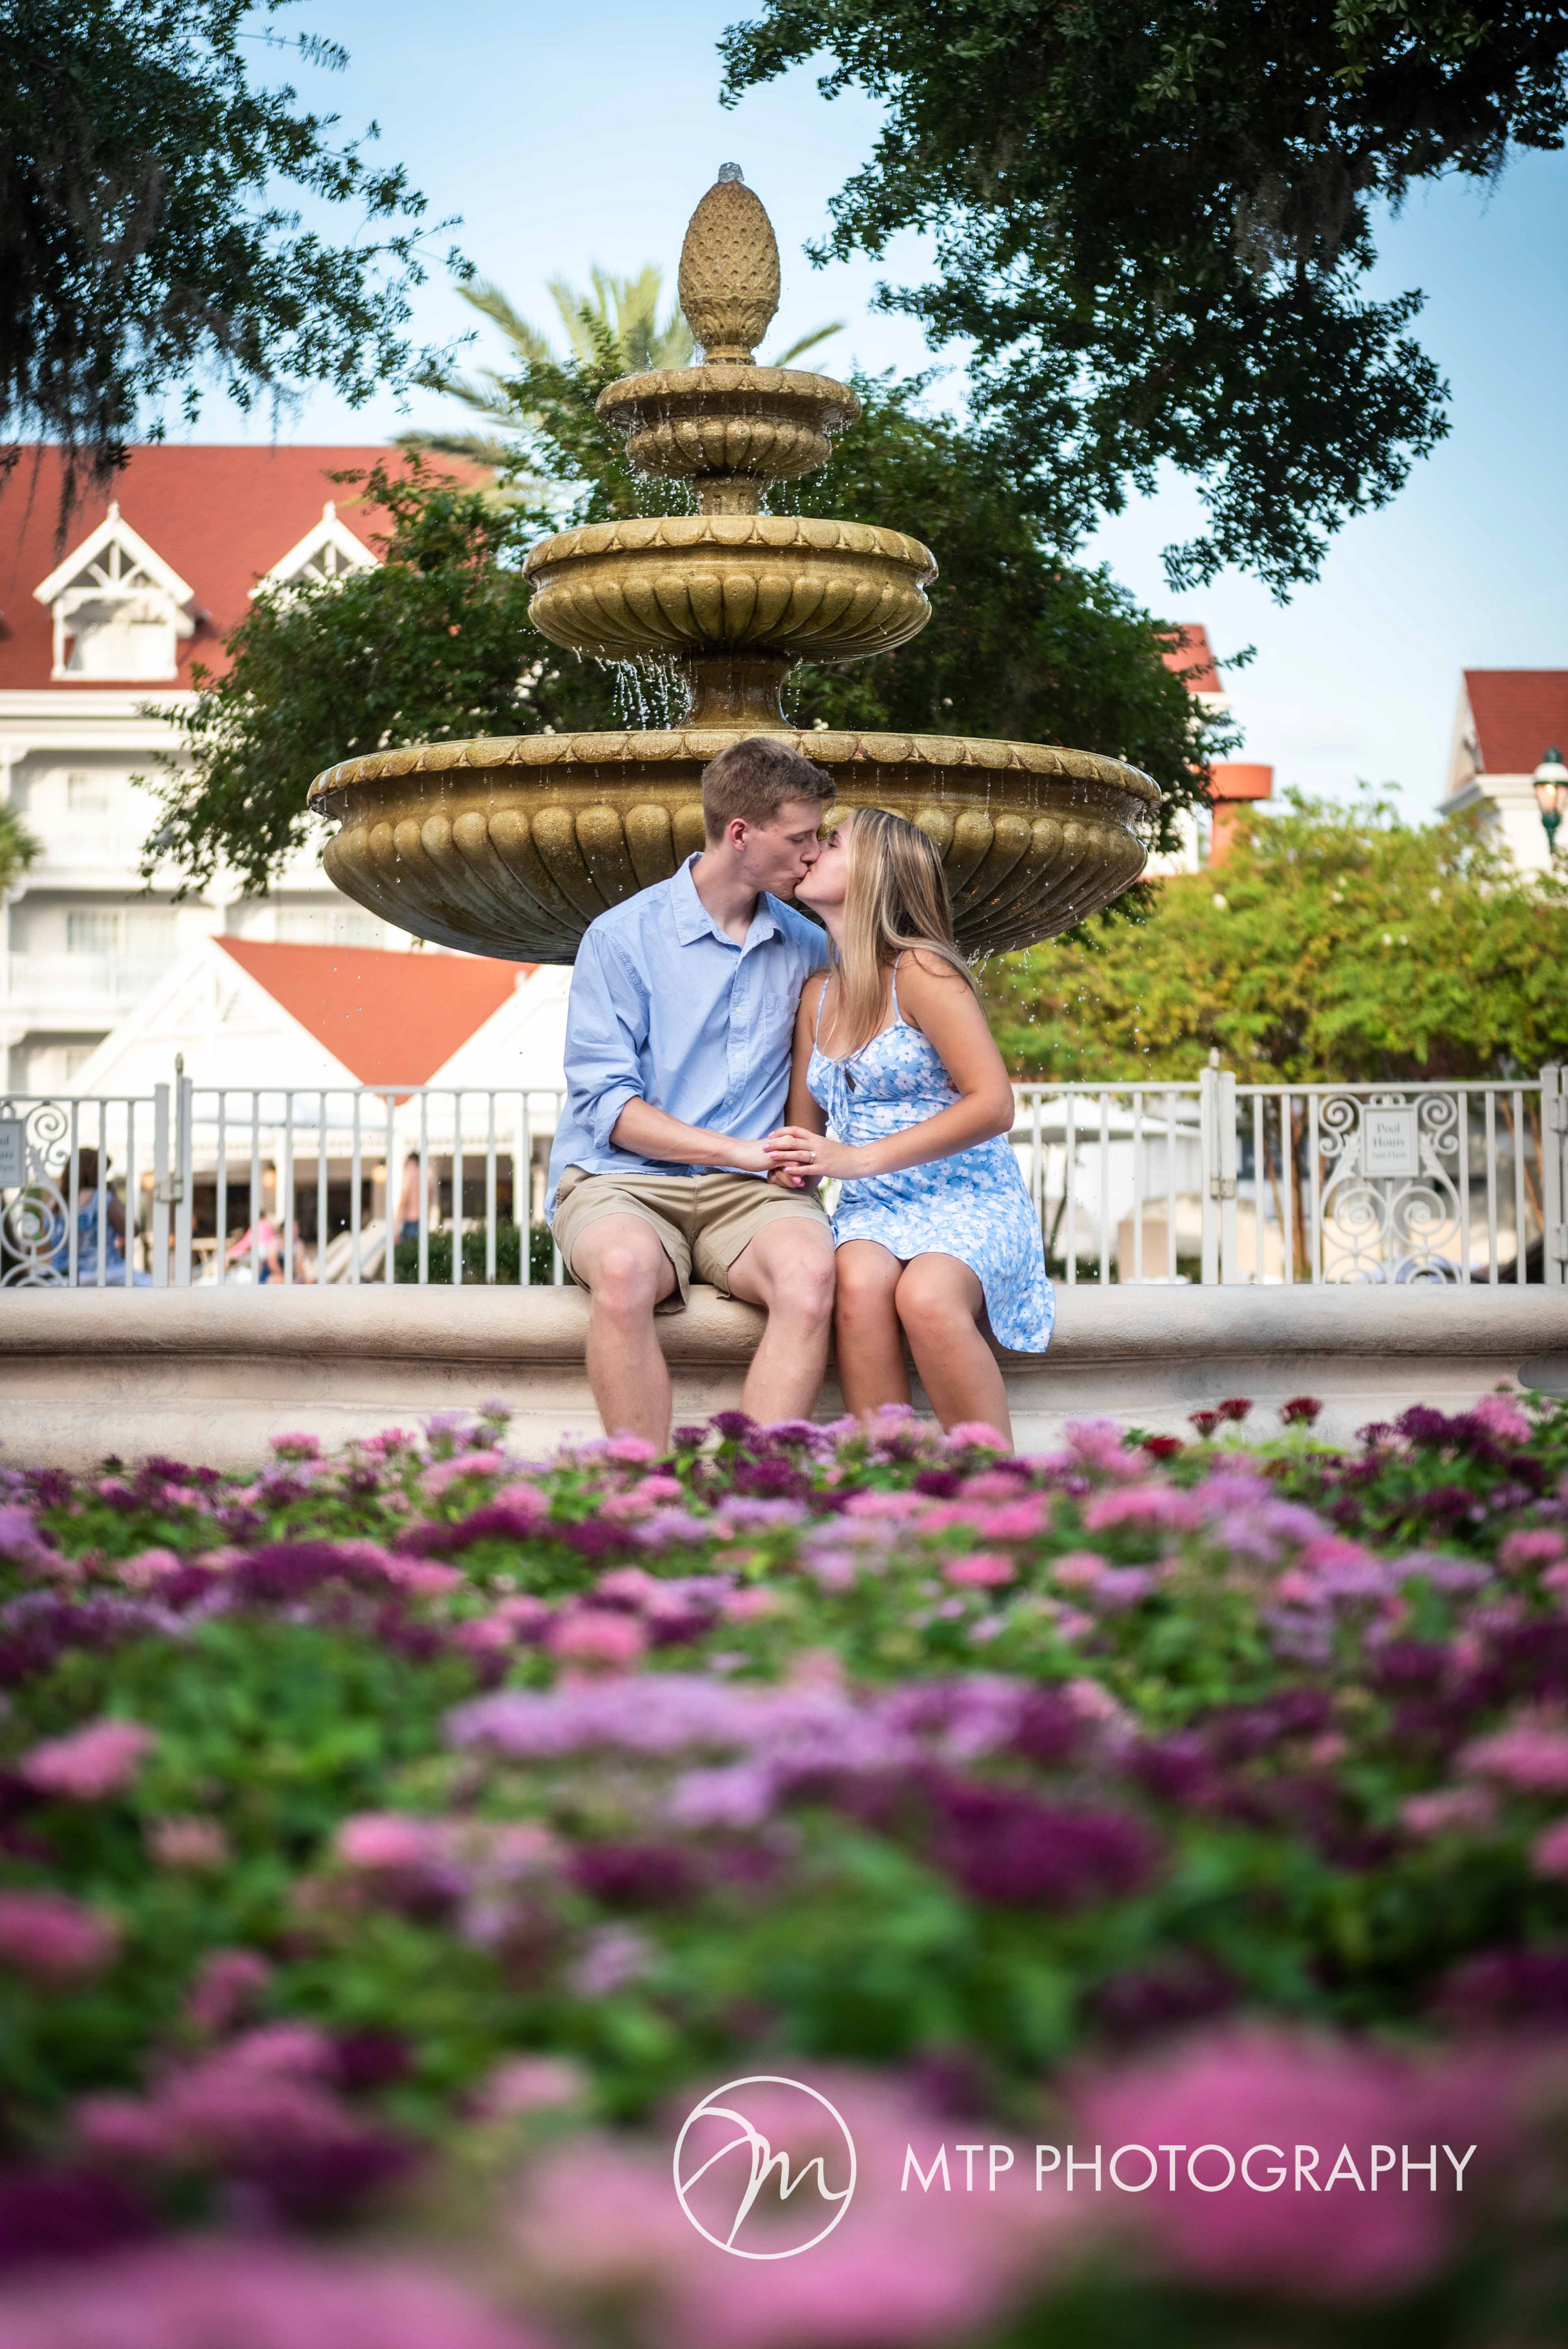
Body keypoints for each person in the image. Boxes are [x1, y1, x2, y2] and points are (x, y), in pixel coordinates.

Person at [547, 735, 838, 1448]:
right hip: (623, 1182)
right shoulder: (620, 937)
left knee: (811, 1276)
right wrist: (743, 1151)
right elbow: (610, 1110)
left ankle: (749, 1493)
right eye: (800, 838)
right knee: (621, 1273)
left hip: (753, 1194)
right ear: (741, 834)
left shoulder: (810, 944)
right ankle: (640, 1496)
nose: (814, 854)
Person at [764, 806, 1053, 1446]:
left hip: (967, 1194)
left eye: (832, 843)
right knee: (859, 1288)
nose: (812, 852)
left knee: (926, 1298)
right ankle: (892, 1491)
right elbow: (804, 1137)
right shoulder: (817, 996)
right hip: (874, 1207)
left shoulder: (923, 972)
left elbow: (993, 1104)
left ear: (874, 873)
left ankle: (999, 1495)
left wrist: (856, 1160)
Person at [50, 1148, 151, 1286]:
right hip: (103, 1273)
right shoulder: (99, 1197)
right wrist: (115, 1197)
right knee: (152, 1287)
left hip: (63, 1276)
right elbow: (133, 1229)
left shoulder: (54, 1202)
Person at [395, 1151, 438, 1245]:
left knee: (407, 1256)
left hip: (410, 1223)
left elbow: (403, 1202)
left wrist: (395, 1229)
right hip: (422, 1222)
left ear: (412, 1163)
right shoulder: (427, 1179)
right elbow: (430, 1203)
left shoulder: (410, 1176)